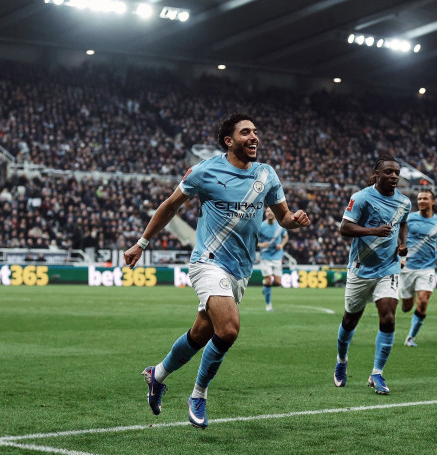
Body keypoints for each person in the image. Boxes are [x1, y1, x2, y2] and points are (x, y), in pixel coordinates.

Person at [124, 113, 310, 429]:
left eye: (256, 131)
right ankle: (199, 394)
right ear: (229, 141)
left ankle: (157, 375)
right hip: (208, 262)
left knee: (200, 334)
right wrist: (141, 243)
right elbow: (170, 205)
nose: (254, 137)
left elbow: (283, 217)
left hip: (240, 270)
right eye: (246, 132)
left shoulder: (266, 174)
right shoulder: (205, 170)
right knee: (229, 329)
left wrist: (296, 220)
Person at [333, 155, 411, 395]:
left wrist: (402, 243)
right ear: (377, 174)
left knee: (388, 317)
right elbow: (344, 228)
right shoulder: (361, 197)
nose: (394, 176)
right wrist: (373, 231)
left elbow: (403, 222)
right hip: (361, 268)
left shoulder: (404, 202)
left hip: (389, 268)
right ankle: (342, 359)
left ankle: (377, 373)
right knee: (350, 320)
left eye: (397, 173)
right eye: (389, 172)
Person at [400, 190, 437, 347]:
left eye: (425, 198)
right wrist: (399, 255)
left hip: (427, 268)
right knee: (406, 307)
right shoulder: (409, 218)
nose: (421, 201)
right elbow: (399, 237)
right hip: (407, 267)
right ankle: (409, 302)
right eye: (419, 199)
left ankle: (411, 337)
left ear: (432, 202)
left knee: (423, 301)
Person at [257, 209, 288, 311]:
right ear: (265, 214)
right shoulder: (261, 226)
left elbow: (286, 236)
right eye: (267, 212)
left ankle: (265, 287)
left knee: (278, 283)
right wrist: (261, 245)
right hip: (265, 256)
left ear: (275, 213)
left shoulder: (280, 226)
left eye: (271, 211)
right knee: (269, 280)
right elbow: (253, 240)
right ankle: (268, 305)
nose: (269, 213)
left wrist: (282, 245)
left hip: (277, 256)